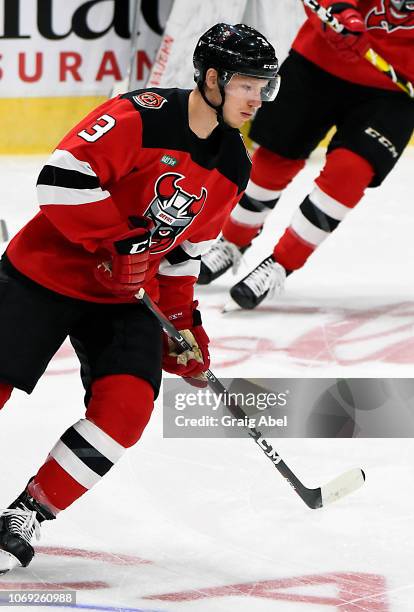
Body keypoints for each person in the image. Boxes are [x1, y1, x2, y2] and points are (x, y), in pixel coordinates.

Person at [0, 23, 279, 573]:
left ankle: (27, 512)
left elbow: (184, 252)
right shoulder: (140, 116)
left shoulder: (233, 166)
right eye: (247, 84)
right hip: (45, 272)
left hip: (125, 298)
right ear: (213, 78)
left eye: (263, 87)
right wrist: (117, 239)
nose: (256, 99)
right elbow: (58, 180)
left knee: (125, 410)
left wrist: (184, 328)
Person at [199, 0, 414, 309]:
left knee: (351, 171)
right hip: (321, 60)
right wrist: (341, 9)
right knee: (274, 160)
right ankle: (233, 240)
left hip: (396, 90)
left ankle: (280, 264)